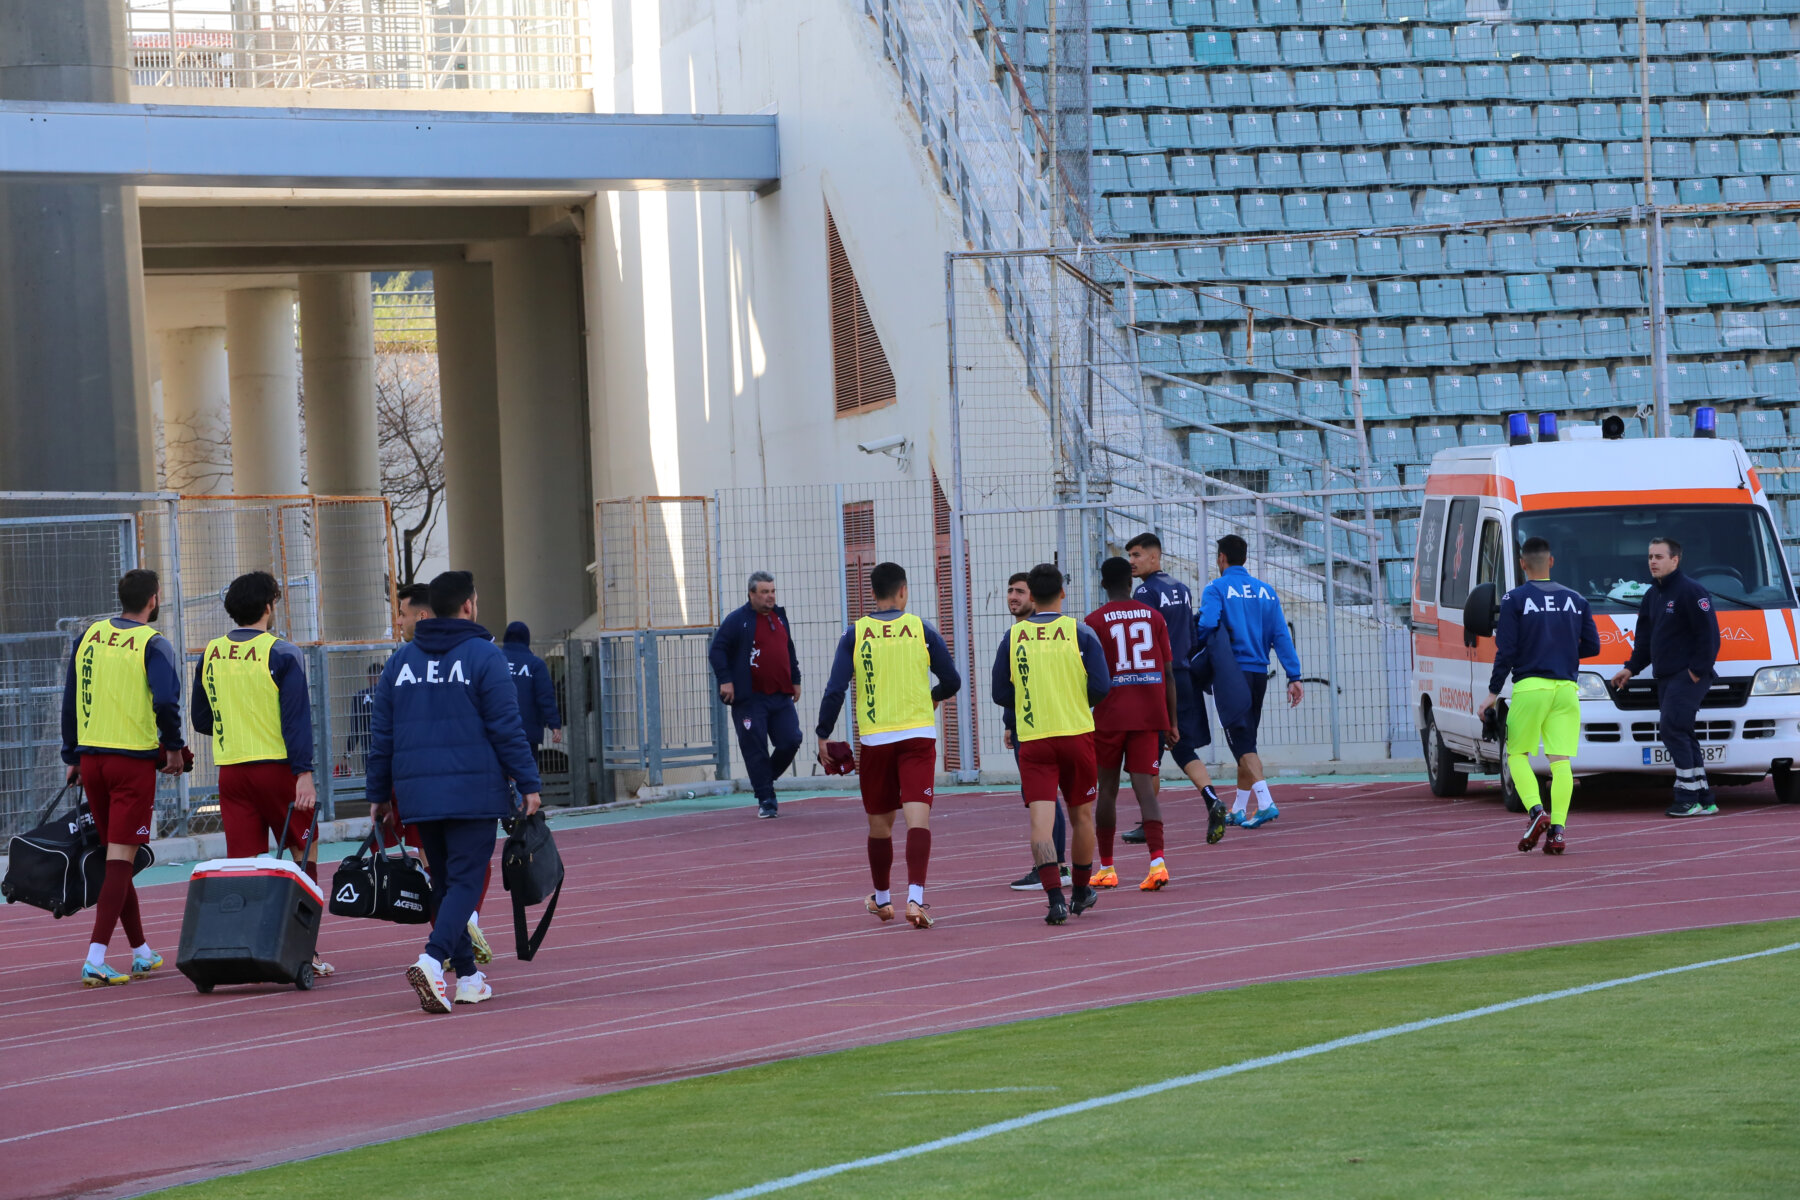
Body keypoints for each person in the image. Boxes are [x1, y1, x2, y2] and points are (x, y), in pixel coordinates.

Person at [366, 570, 542, 1014]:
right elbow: (507, 727)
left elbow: (381, 735)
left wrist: (379, 793)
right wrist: (528, 783)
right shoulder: (484, 656)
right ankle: (431, 959)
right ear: (468, 605)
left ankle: (468, 977)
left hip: (418, 792)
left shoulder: (400, 663)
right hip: (472, 789)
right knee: (465, 881)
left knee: (445, 883)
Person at [189, 570, 334, 976]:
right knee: (304, 852)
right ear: (269, 607)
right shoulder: (283, 652)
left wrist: (236, 726)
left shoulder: (211, 653)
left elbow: (201, 717)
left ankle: (245, 947)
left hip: (231, 772)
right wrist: (304, 773)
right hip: (278, 768)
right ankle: (305, 951)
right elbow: (296, 720)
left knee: (244, 865)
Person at [814, 562, 961, 929]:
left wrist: (823, 732)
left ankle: (882, 900)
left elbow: (835, 689)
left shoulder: (855, 634)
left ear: (872, 594)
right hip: (918, 736)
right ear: (903, 591)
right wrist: (932, 697)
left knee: (879, 824)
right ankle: (916, 898)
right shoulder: (922, 629)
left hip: (876, 739)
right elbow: (952, 680)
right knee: (917, 819)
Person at [59, 569, 186, 986]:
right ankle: (95, 958)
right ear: (154, 599)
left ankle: (141, 952)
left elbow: (71, 697)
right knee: (119, 858)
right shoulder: (153, 643)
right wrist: (173, 745)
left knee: (118, 855)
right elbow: (166, 700)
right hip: (131, 762)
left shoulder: (90, 635)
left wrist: (72, 753)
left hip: (92, 759)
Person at [991, 563, 1111, 926]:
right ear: (1062, 593)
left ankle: (1055, 899)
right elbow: (1101, 686)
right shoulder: (1081, 632)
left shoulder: (1013, 637)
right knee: (1081, 815)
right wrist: (1073, 701)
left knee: (1041, 821)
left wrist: (1031, 702)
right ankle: (1081, 890)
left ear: (1032, 595)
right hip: (1076, 734)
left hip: (1034, 739)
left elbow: (1000, 692)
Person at [1479, 538, 1601, 855]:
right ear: (1551, 561)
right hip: (1566, 689)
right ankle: (1558, 831)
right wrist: (1561, 652)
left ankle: (1536, 812)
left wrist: (1492, 693)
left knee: (1517, 755)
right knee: (1561, 762)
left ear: (1522, 564)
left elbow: (1506, 650)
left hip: (1531, 687)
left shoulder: (1514, 599)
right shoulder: (1576, 599)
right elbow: (1592, 646)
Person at [1085, 557, 1180, 892]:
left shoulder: (1093, 622)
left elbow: (1089, 676)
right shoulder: (1153, 617)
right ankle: (1157, 863)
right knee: (1145, 790)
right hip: (1148, 714)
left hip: (1109, 716)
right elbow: (1168, 672)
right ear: (1131, 582)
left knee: (1107, 790)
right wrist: (1171, 721)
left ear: (1103, 585)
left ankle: (1107, 867)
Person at [1127, 533, 1228, 845]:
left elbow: (1144, 641)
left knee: (1149, 752)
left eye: (1137, 555)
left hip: (1159, 679)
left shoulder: (1145, 592)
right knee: (1183, 747)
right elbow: (1192, 634)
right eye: (1129, 556)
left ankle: (1149, 821)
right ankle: (1212, 799)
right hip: (1183, 675)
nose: (1131, 562)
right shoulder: (1181, 589)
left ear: (1154, 557)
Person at [1610, 536, 1722, 818]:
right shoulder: (1652, 595)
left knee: (1672, 729)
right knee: (1682, 732)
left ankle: (1686, 798)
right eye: (1650, 557)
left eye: (1659, 557)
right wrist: (1631, 668)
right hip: (1666, 677)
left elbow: (1709, 637)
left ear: (1675, 559)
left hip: (1687, 676)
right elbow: (1644, 641)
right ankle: (1704, 798)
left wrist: (1695, 672)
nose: (1653, 562)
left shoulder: (1692, 591)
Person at [1196, 535, 1304, 827]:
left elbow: (1207, 623)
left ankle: (1266, 803)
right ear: (1244, 558)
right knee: (1248, 741)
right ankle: (1240, 808)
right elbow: (1281, 635)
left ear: (1221, 558)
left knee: (1240, 742)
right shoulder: (1266, 591)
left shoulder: (1215, 588)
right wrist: (1294, 675)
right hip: (1258, 674)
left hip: (1231, 673)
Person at [709, 571, 803, 818]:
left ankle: (764, 779)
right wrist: (726, 680)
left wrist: (796, 679)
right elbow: (717, 650)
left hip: (780, 696)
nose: (770, 596)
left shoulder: (780, 617)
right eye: (764, 592)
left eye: (772, 591)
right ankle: (766, 800)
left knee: (791, 740)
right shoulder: (737, 620)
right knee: (755, 748)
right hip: (750, 698)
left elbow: (788, 649)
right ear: (751, 594)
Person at [1003, 571, 1070, 892]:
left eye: (1020, 591)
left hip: (1042, 727)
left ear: (1034, 597)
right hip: (1026, 724)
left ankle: (1054, 865)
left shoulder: (1034, 635)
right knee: (1041, 797)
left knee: (1044, 796)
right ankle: (1058, 865)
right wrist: (1009, 722)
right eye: (1010, 591)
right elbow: (1014, 686)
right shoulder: (1016, 634)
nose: (1013, 597)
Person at [501, 622, 564, 750]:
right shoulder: (535, 664)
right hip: (527, 731)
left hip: (499, 729)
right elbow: (545, 696)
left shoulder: (496, 660)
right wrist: (554, 724)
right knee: (526, 762)